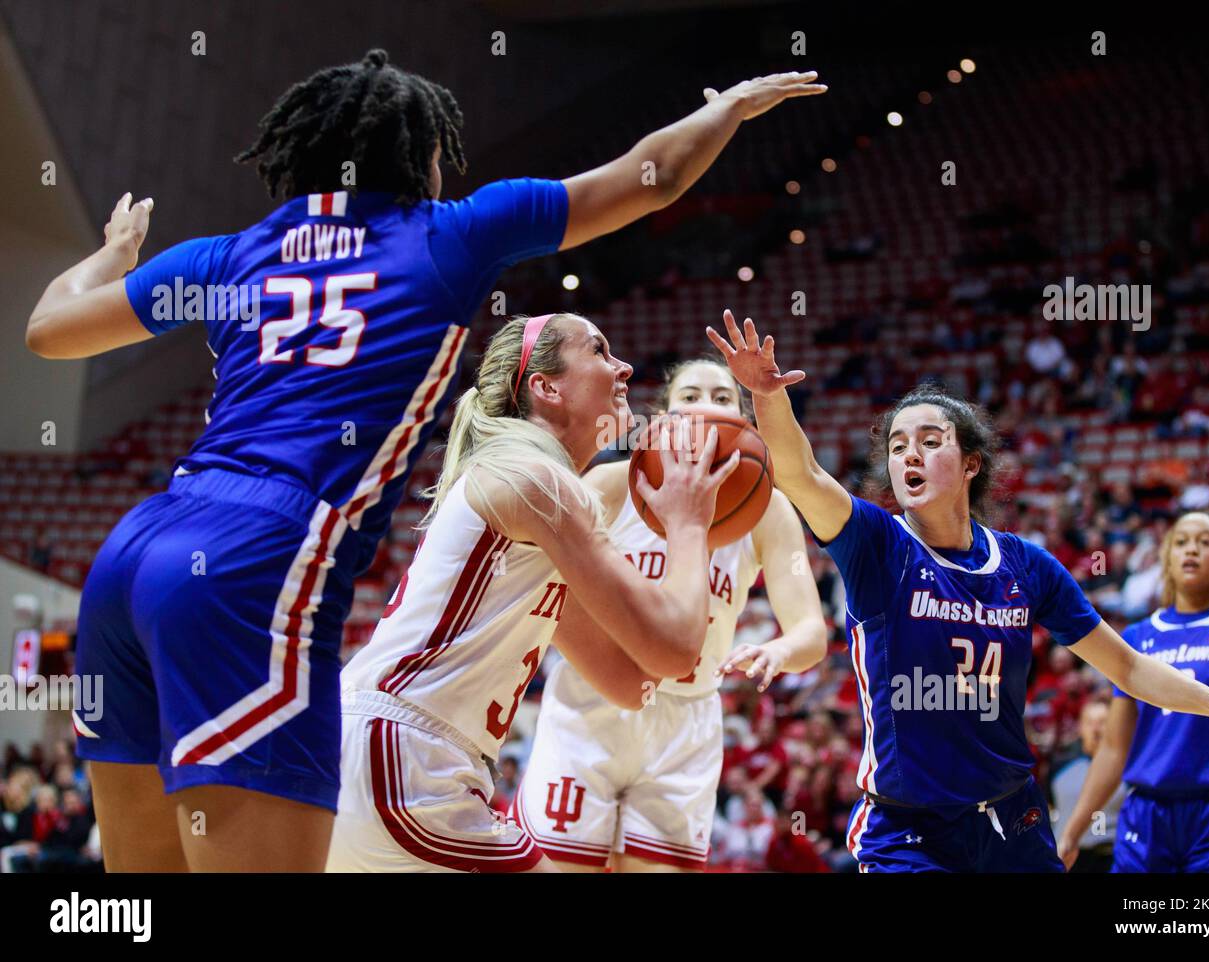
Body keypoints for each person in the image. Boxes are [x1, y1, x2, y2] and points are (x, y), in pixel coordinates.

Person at [24, 49, 824, 871]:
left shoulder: (222, 258)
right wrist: (723, 108)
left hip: (133, 551)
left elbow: (48, 330)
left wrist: (114, 256)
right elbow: (649, 178)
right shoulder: (447, 235)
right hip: (259, 560)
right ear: (422, 158)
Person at [705, 310, 1209, 872]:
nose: (910, 452)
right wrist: (768, 395)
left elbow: (1128, 670)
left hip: (1014, 822)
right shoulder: (876, 544)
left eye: (931, 441)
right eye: (898, 444)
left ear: (971, 463)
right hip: (910, 829)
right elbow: (800, 473)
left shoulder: (1026, 565)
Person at [326, 313, 737, 872]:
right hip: (403, 753)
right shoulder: (540, 481)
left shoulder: (530, 493)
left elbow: (629, 679)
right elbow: (672, 649)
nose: (624, 367)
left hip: (380, 752)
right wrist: (691, 528)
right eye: (599, 350)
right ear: (547, 387)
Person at [513, 357, 827, 871]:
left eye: (723, 399)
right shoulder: (612, 485)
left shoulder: (767, 508)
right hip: (590, 705)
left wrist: (779, 650)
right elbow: (535, 568)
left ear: (743, 418)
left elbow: (811, 631)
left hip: (689, 719)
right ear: (661, 418)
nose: (707, 407)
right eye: (691, 397)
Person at [1057, 511, 1209, 872]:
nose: (1192, 550)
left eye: (1206, 542)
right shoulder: (1137, 637)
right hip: (1145, 814)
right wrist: (1072, 833)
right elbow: (1113, 747)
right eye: (1182, 542)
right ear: (1167, 558)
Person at [1050, 698, 1122, 872]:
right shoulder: (1059, 769)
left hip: (1112, 856)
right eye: (1090, 722)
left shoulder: (1128, 769)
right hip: (1069, 859)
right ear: (1080, 727)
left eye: (1102, 722)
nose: (1095, 729)